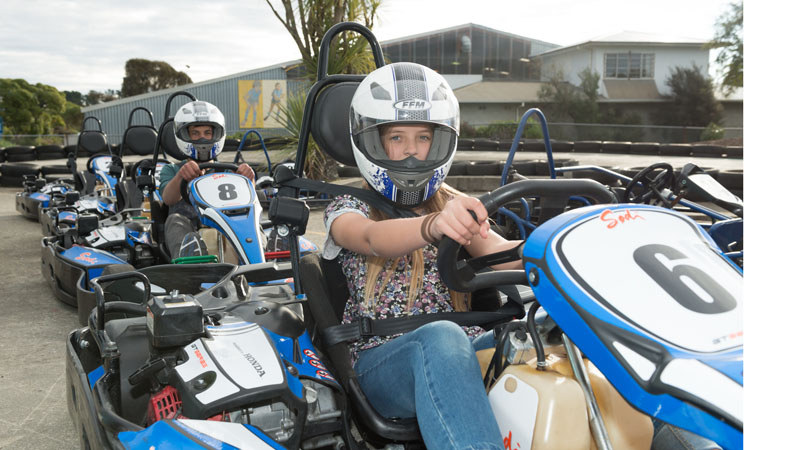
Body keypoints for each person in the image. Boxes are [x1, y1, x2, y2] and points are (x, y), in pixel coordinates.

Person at [322, 62, 521, 449]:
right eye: (397, 136)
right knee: (442, 339)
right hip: (381, 362)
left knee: (536, 338)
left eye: (424, 137)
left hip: (460, 347)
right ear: (374, 141)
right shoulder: (346, 207)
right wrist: (431, 226)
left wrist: (552, 245)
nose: (412, 150)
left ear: (441, 141)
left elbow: (500, 254)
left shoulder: (453, 203)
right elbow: (371, 239)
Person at [159, 100, 255, 258]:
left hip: (227, 227)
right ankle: (190, 260)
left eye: (207, 133)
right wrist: (182, 176)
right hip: (191, 227)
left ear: (216, 135)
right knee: (175, 220)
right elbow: (168, 199)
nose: (202, 139)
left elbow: (250, 201)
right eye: (195, 133)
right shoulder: (172, 169)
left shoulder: (229, 170)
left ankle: (264, 255)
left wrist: (248, 179)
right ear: (185, 135)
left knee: (252, 221)